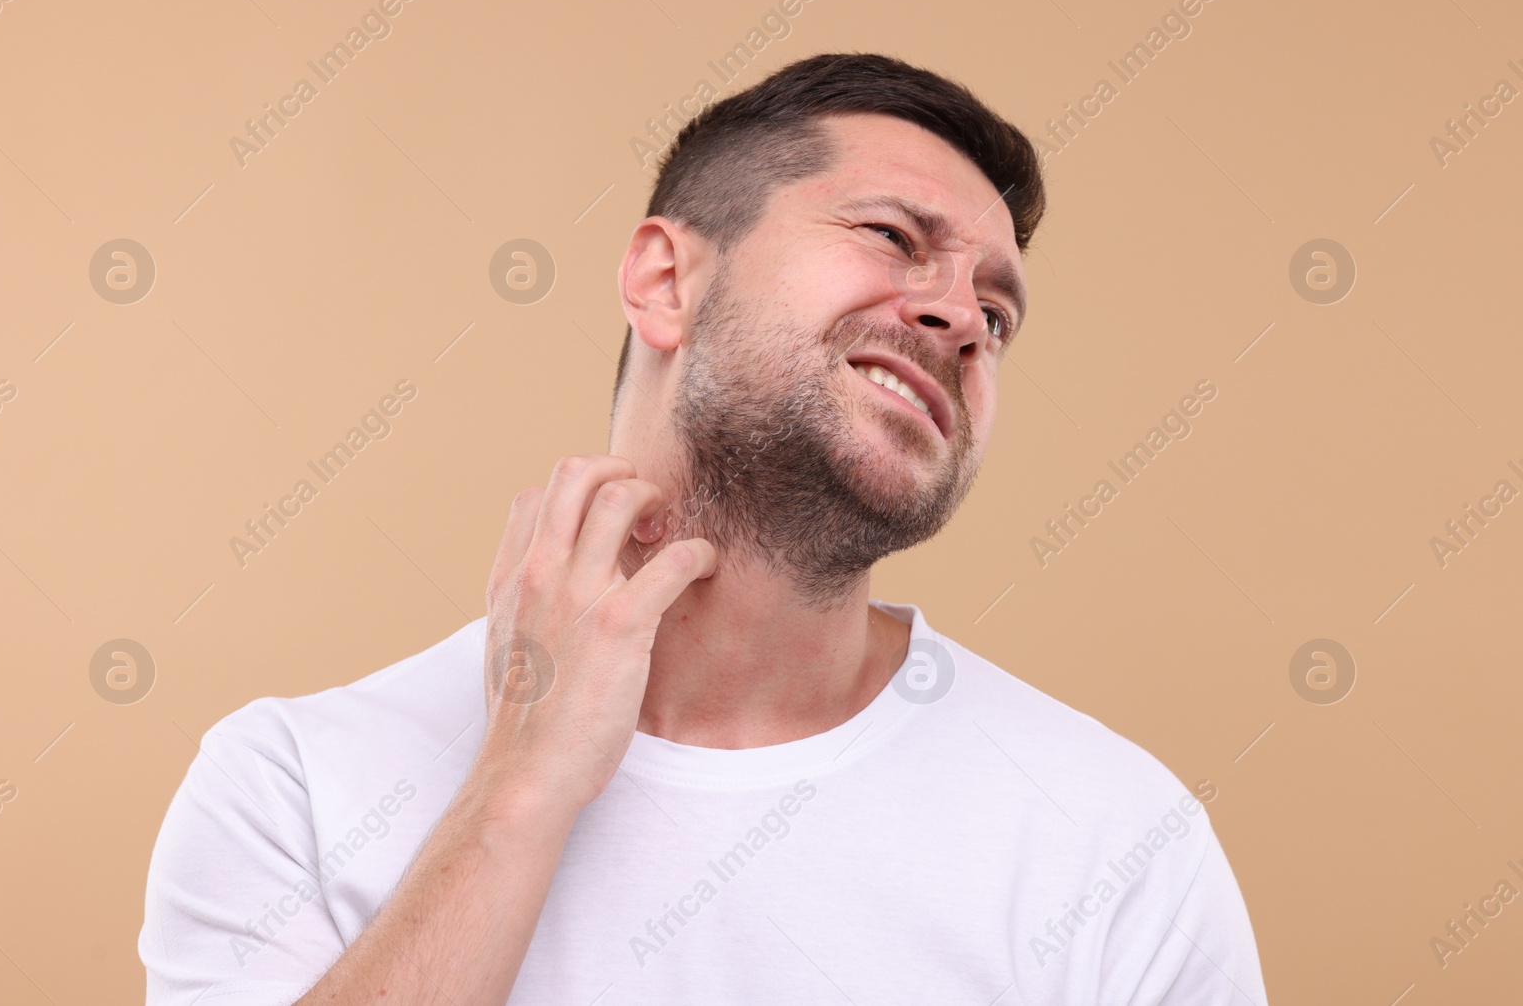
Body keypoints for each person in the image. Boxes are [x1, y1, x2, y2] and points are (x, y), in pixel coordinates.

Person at [139, 52, 1267, 1005]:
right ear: (665, 279)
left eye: (998, 310)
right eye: (889, 235)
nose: (963, 318)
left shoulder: (1118, 837)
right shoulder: (291, 784)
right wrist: (520, 788)